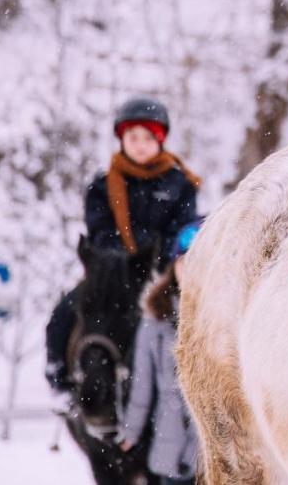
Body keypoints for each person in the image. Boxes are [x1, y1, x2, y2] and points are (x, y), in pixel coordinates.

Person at [45, 96, 201, 391]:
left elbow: (181, 231)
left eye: (147, 137)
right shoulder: (102, 186)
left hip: (161, 275)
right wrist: (124, 259)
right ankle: (60, 382)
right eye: (133, 137)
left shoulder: (180, 185)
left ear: (160, 140)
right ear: (121, 139)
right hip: (111, 275)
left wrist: (158, 257)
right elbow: (99, 231)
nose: (140, 144)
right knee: (63, 313)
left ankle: (188, 389)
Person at [119, 221, 202, 485]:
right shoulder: (155, 317)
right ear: (173, 265)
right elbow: (142, 383)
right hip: (170, 441)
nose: (189, 270)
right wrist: (131, 430)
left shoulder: (223, 314)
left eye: (198, 263)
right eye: (183, 261)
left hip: (211, 445)